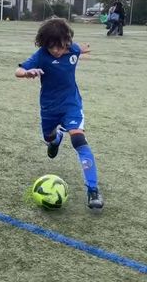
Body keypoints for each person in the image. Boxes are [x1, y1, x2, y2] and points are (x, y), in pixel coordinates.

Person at [15, 18, 104, 210]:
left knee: (79, 140)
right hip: (49, 107)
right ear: (44, 44)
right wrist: (27, 73)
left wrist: (86, 47)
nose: (56, 50)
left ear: (67, 42)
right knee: (49, 136)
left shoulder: (72, 49)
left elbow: (81, 47)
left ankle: (93, 190)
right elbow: (18, 70)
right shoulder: (41, 56)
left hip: (71, 104)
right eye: (51, 46)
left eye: (60, 46)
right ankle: (55, 140)